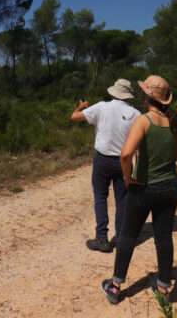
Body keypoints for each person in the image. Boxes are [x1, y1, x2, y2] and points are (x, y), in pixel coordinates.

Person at [101, 75, 177, 304]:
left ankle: (116, 285)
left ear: (147, 96)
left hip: (144, 187)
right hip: (169, 187)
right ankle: (165, 288)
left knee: (128, 235)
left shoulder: (143, 121)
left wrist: (128, 179)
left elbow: (126, 154)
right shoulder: (175, 123)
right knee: (164, 237)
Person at [71, 78, 141, 252]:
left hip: (102, 159)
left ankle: (102, 238)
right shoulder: (136, 114)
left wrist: (81, 107)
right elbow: (139, 145)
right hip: (124, 161)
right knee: (122, 199)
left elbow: (74, 117)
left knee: (100, 197)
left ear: (114, 92)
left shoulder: (101, 107)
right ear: (128, 95)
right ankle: (122, 237)